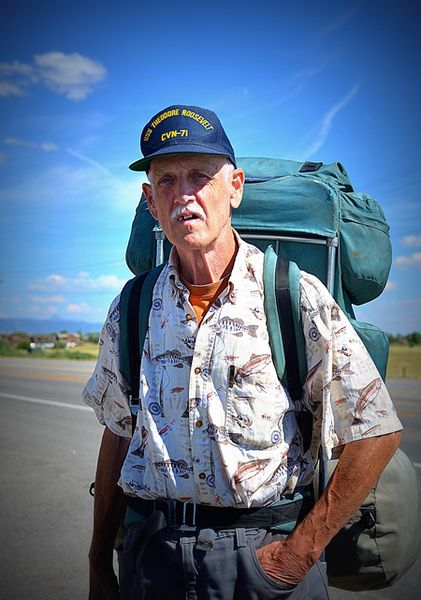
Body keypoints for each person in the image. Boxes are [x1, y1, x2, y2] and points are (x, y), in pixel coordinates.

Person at [83, 104, 402, 600]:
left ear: (234, 188)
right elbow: (118, 434)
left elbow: (377, 431)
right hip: (152, 556)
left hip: (261, 557)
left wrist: (296, 555)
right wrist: (98, 560)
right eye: (166, 180)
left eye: (200, 176)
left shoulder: (293, 296)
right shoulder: (132, 306)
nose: (183, 195)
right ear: (149, 200)